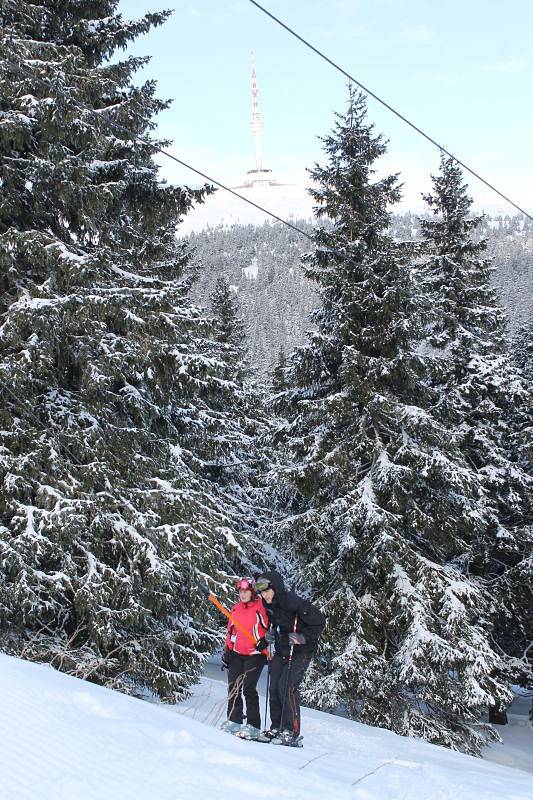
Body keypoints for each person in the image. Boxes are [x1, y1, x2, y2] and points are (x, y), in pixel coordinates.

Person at [254, 570, 325, 746]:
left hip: (301, 651)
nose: (264, 595)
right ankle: (276, 727)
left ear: (275, 588)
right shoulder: (268, 604)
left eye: (266, 591)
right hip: (282, 649)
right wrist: (267, 638)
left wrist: (302, 637)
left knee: (287, 687)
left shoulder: (293, 602)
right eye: (261, 592)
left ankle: (291, 731)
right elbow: (276, 625)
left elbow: (319, 622)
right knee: (273, 687)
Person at [220, 576, 269, 739]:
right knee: (233, 687)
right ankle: (234, 720)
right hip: (237, 653)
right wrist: (228, 649)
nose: (243, 594)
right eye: (241, 591)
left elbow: (270, 626)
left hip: (255, 654)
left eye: (246, 591)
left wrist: (266, 640)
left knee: (249, 687)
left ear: (252, 592)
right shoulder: (235, 609)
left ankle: (254, 725)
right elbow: (231, 631)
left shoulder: (261, 607)